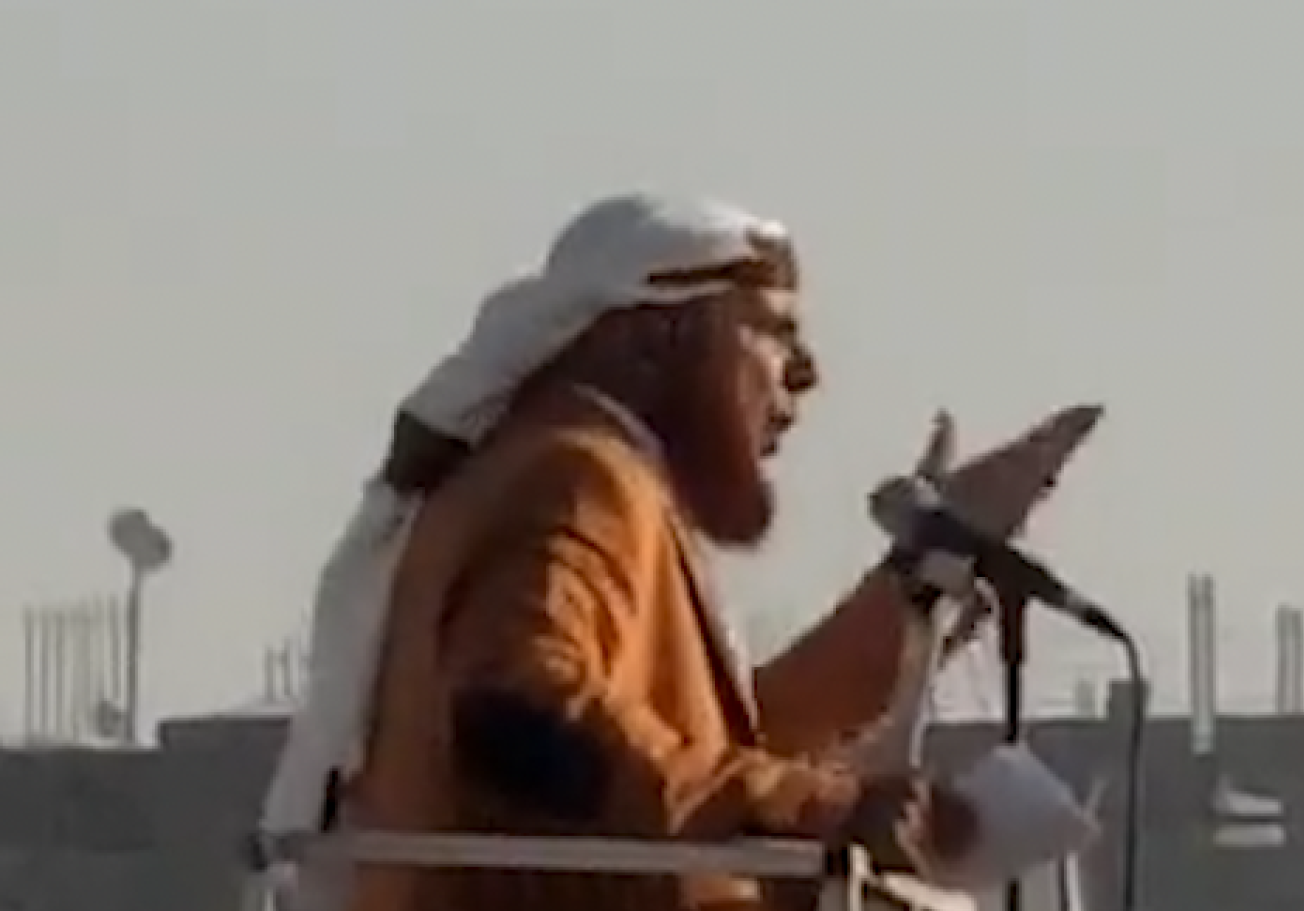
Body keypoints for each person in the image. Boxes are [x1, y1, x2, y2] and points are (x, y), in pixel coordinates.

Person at [264, 192, 1096, 911]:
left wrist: (921, 585)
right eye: (775, 333)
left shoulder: (572, 469)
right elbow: (519, 717)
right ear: (655, 339)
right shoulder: (577, 475)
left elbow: (689, 754)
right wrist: (824, 809)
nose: (806, 374)